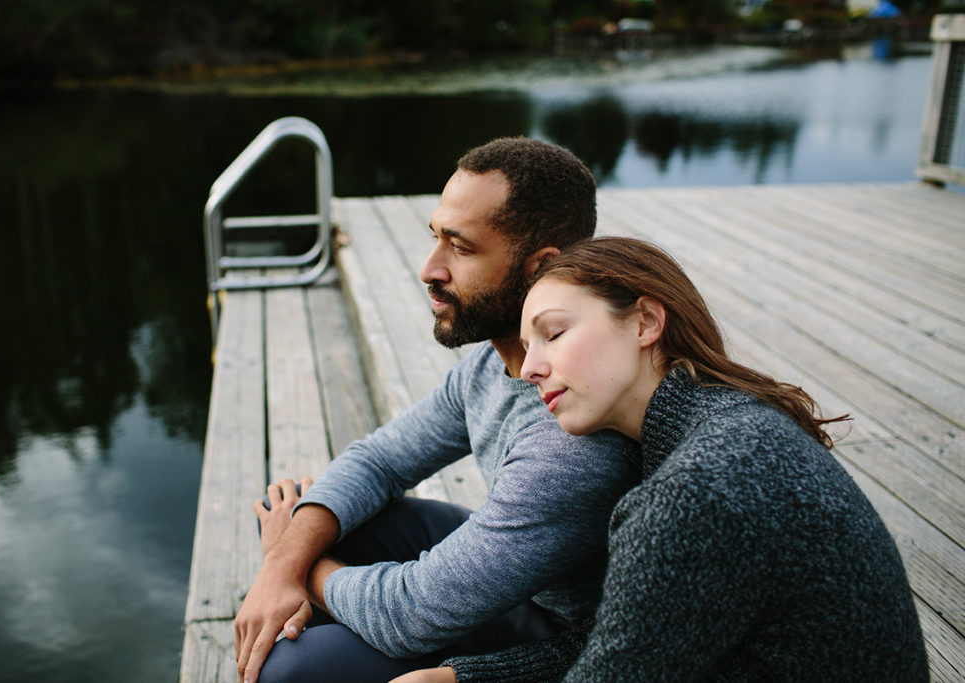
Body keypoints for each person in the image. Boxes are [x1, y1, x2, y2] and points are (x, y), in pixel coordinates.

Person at [395, 237, 929, 682]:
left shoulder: (692, 494)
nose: (530, 367)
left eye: (554, 333)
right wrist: (463, 677)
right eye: (529, 342)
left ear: (647, 321)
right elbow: (642, 639)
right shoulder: (731, 420)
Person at [233, 139, 640, 683]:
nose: (429, 269)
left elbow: (412, 617)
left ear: (543, 267)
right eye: (434, 238)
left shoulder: (573, 434)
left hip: (564, 641)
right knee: (315, 526)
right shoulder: (491, 363)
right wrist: (283, 564)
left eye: (461, 248)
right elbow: (380, 459)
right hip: (517, 576)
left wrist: (296, 569)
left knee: (288, 667)